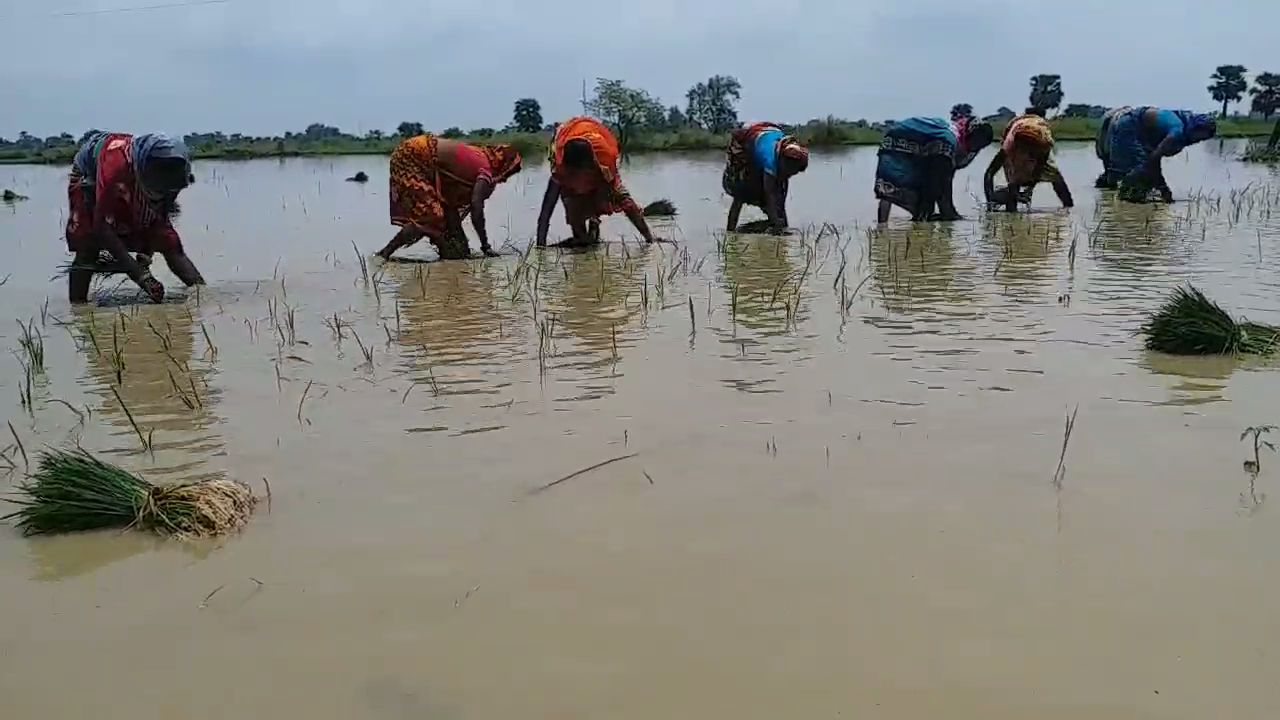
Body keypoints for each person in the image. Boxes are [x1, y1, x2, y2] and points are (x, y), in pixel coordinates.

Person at [65, 132, 204, 304]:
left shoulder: (176, 172)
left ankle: (200, 292)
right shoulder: (115, 170)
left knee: (169, 241)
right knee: (88, 244)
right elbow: (101, 226)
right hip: (91, 175)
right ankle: (78, 308)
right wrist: (141, 276)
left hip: (135, 176)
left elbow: (162, 212)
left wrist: (146, 251)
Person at [378, 134, 522, 260]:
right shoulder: (486, 171)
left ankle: (445, 253)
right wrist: (485, 245)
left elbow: (450, 204)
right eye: (509, 172)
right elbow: (476, 207)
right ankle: (385, 253)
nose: (505, 178)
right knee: (429, 217)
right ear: (504, 164)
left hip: (417, 152)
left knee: (441, 219)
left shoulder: (479, 155)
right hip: (414, 156)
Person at [535, 117, 662, 247]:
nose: (581, 176)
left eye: (585, 171)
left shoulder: (603, 171)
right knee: (581, 236)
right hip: (573, 194)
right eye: (575, 173)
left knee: (605, 201)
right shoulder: (560, 175)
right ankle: (585, 236)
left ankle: (594, 222)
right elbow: (545, 212)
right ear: (569, 169)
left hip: (599, 185)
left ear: (591, 165)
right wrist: (540, 247)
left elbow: (629, 206)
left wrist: (649, 238)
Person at [875, 116, 994, 223]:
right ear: (970, 134)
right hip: (899, 139)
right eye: (976, 142)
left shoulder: (958, 138)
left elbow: (944, 177)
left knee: (920, 201)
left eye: (980, 146)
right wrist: (949, 213)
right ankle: (882, 225)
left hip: (910, 143)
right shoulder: (949, 141)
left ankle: (883, 230)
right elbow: (941, 180)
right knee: (889, 184)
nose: (976, 147)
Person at [1094, 107, 1217, 202]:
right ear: (1196, 129)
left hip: (1137, 126)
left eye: (1202, 140)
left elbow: (1153, 158)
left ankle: (1115, 194)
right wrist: (1163, 188)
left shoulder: (1181, 123)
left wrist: (1160, 186)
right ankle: (1125, 199)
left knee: (1135, 172)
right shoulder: (1176, 132)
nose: (1197, 141)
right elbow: (1153, 160)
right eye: (1199, 137)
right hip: (1129, 126)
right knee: (1139, 171)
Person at [722, 122, 809, 232]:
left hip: (768, 134)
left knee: (776, 204)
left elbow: (781, 198)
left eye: (792, 174)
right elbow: (769, 194)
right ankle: (730, 232)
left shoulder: (786, 159)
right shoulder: (770, 160)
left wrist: (782, 222)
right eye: (789, 172)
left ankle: (756, 229)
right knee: (741, 192)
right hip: (747, 143)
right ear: (783, 162)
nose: (789, 175)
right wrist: (776, 222)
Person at [983, 110, 1073, 211]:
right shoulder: (1009, 148)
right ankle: (1010, 207)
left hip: (1037, 130)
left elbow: (1042, 169)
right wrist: (989, 204)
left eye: (1031, 155)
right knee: (1013, 185)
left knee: (1057, 180)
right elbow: (989, 173)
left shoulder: (1043, 145)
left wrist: (1030, 186)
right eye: (1025, 151)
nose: (1028, 158)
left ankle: (1068, 209)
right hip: (1016, 129)